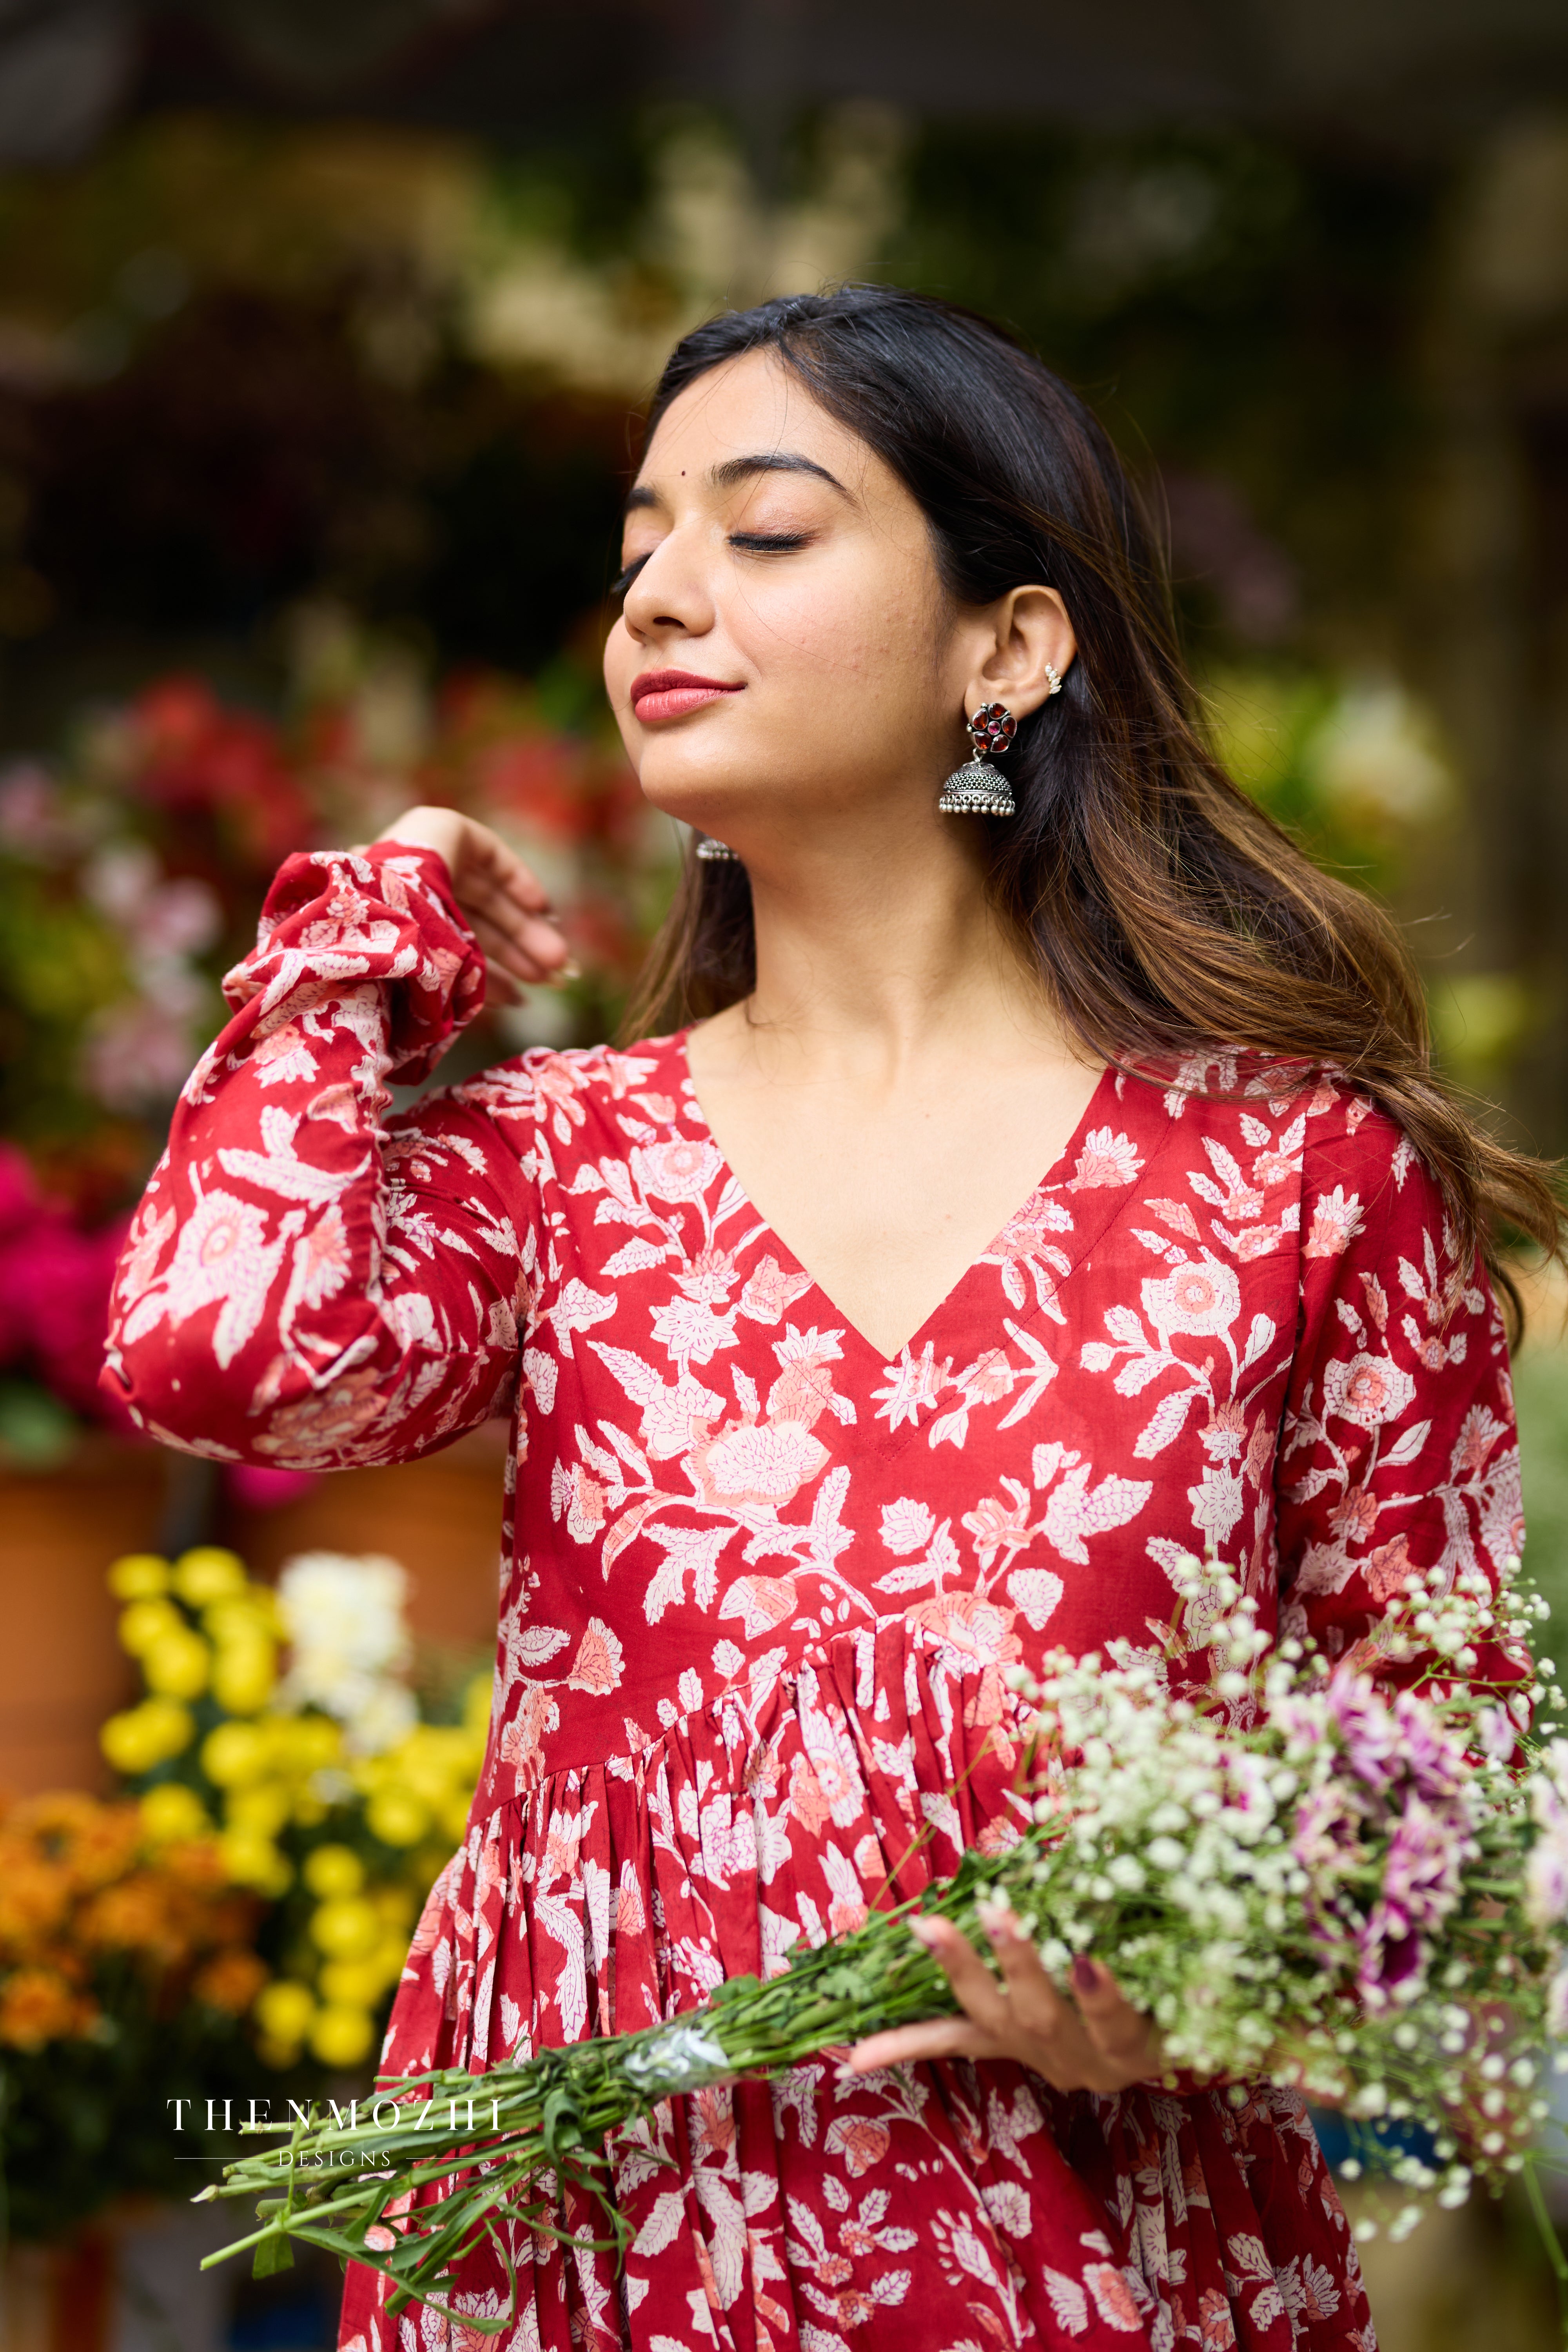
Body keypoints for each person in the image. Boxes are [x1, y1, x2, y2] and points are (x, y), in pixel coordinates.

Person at [104, 287, 1558, 2352]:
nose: (662, 602)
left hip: (1092, 2261)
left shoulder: (1298, 1182)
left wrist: (1210, 1990)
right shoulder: (557, 1162)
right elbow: (212, 1352)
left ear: (1012, 648)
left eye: (763, 534)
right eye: (635, 558)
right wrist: (369, 935)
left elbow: (1448, 1797)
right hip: (588, 2252)